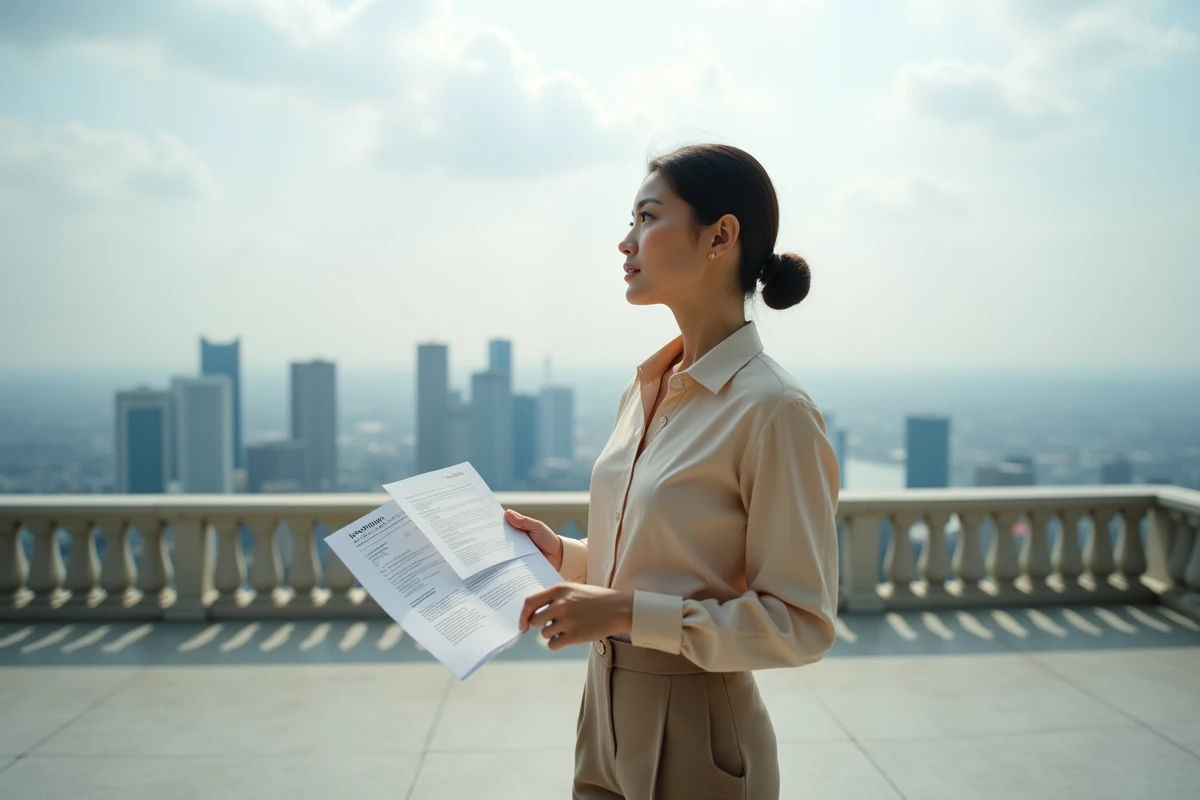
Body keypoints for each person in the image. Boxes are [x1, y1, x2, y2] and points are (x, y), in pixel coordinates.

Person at [507, 143, 840, 800]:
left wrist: (627, 611)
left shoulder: (774, 410)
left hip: (699, 730)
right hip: (602, 713)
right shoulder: (646, 389)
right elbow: (669, 559)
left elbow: (802, 624)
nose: (626, 241)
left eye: (647, 217)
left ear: (720, 236)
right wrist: (570, 559)